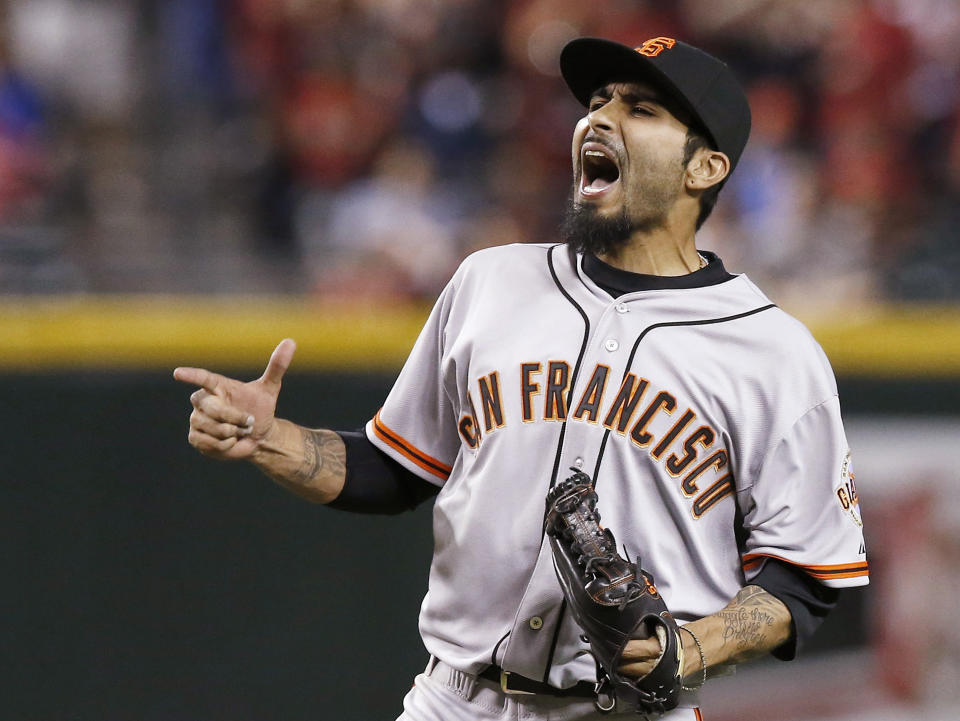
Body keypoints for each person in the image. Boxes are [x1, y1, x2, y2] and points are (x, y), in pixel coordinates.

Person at [174, 36, 868, 720]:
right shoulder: (490, 282)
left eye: (642, 110)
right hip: (453, 700)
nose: (601, 118)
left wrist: (687, 648)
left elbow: (804, 577)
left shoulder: (773, 351)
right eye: (598, 101)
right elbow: (394, 466)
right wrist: (267, 437)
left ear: (705, 167)